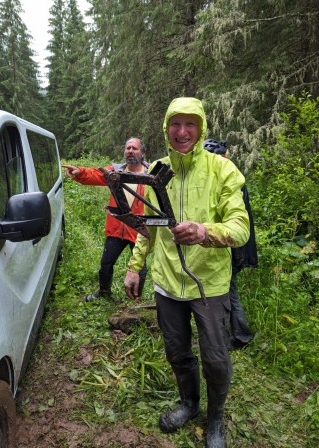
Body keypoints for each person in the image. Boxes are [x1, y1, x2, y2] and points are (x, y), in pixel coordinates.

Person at [124, 98, 250, 448]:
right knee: (177, 351)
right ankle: (189, 404)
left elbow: (241, 228)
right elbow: (147, 226)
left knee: (216, 358)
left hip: (208, 285)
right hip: (166, 283)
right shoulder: (158, 170)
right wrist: (135, 267)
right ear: (166, 129)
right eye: (175, 124)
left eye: (190, 124)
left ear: (201, 128)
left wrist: (205, 232)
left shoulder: (221, 169)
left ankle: (215, 419)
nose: (182, 132)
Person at [62, 137, 149, 302]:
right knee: (106, 262)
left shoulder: (150, 175)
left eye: (135, 148)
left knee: (140, 267)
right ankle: (104, 292)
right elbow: (95, 174)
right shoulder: (115, 172)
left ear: (142, 153)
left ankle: (137, 298)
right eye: (128, 148)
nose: (130, 151)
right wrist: (80, 171)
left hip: (138, 229)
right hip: (117, 227)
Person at [203, 139, 258, 350]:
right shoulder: (230, 175)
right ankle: (236, 335)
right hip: (235, 247)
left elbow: (237, 222)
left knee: (228, 294)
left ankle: (239, 336)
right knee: (228, 293)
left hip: (233, 248)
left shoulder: (229, 177)